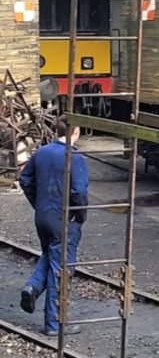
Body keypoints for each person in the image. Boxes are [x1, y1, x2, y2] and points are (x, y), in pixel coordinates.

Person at [18, 117, 88, 336]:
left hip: (43, 216)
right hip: (64, 218)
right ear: (75, 131)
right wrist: (80, 215)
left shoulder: (42, 152)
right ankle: (54, 324)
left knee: (50, 253)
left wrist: (37, 202)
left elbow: (25, 179)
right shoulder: (74, 156)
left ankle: (33, 286)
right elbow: (78, 192)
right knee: (61, 268)